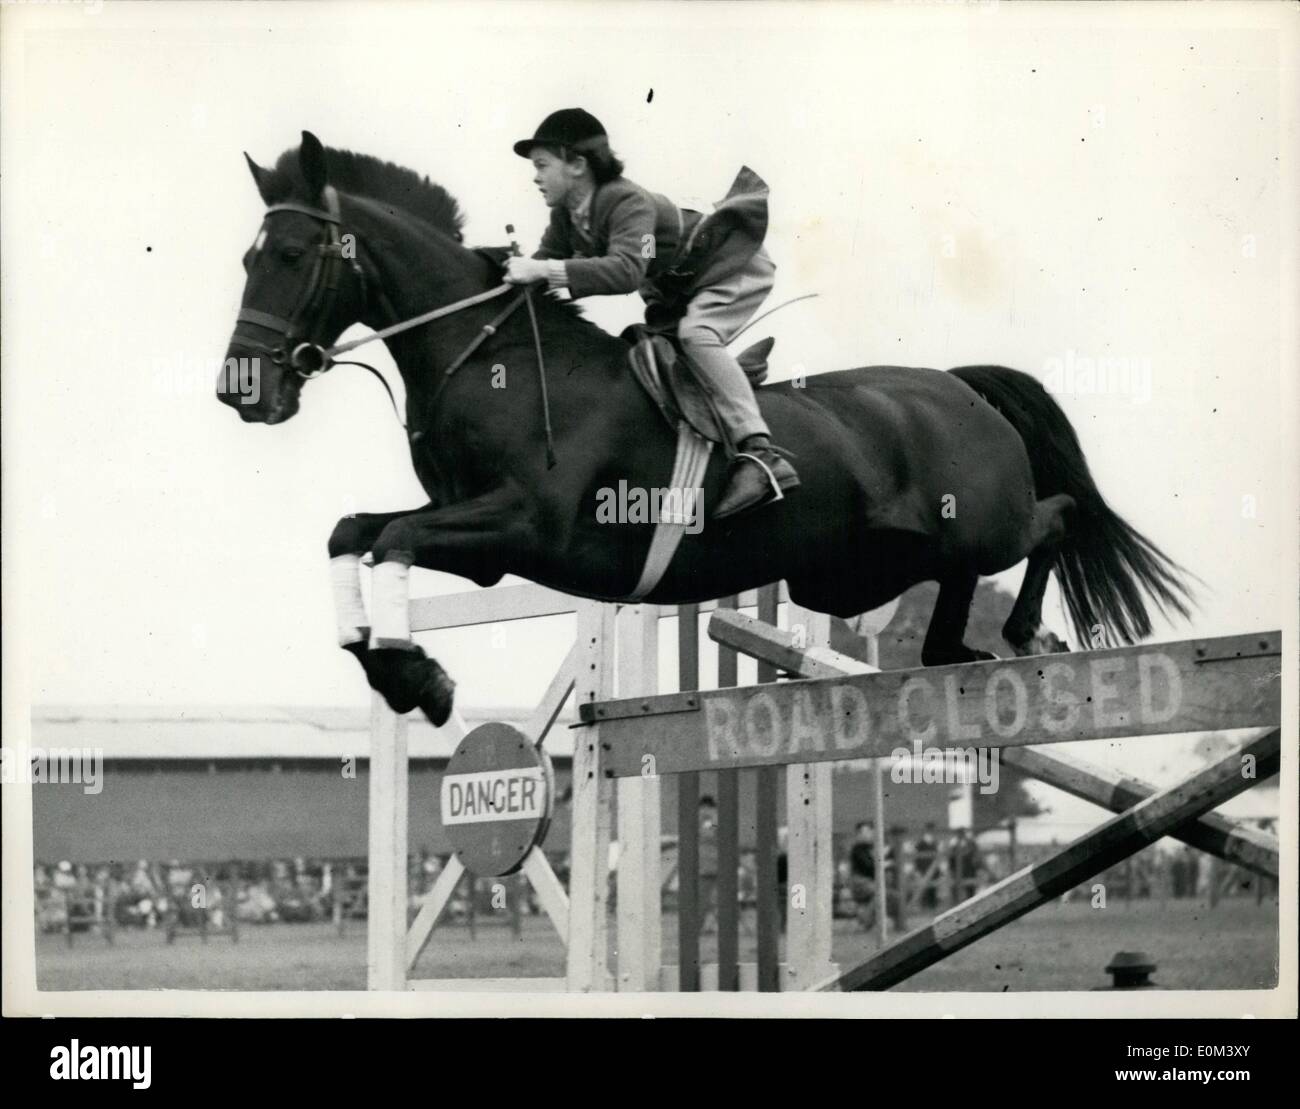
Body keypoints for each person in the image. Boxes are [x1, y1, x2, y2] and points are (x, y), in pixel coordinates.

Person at [504, 108, 800, 518]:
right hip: (678, 284)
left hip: (733, 264)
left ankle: (761, 455)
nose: (534, 177)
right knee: (657, 351)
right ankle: (732, 376)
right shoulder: (567, 217)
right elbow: (545, 263)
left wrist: (543, 271)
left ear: (576, 164)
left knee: (697, 335)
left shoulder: (627, 201)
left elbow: (627, 270)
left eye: (541, 166)